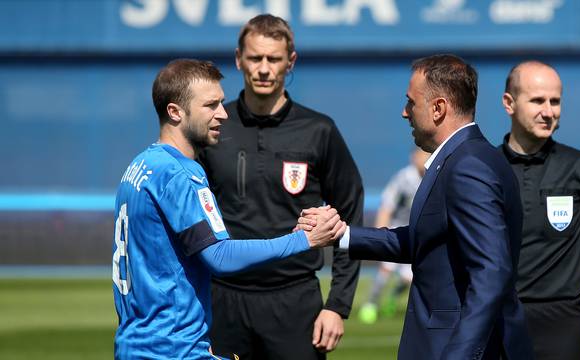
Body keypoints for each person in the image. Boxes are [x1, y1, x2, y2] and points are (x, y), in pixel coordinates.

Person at [300, 54, 534, 360]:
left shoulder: (468, 166)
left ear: (438, 108)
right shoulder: (462, 159)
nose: (404, 112)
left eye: (411, 102)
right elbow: (425, 240)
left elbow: (491, 272)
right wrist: (341, 234)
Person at [112, 59, 344, 359]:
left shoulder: (140, 166)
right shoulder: (181, 174)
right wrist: (305, 240)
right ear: (175, 112)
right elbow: (219, 257)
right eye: (210, 105)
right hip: (172, 349)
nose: (222, 114)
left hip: (136, 344)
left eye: (222, 103)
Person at [197, 14, 363, 359]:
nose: (263, 68)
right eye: (255, 57)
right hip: (223, 302)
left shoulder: (319, 130)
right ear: (239, 58)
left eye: (273, 59)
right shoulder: (212, 129)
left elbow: (350, 219)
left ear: (291, 62)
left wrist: (337, 305)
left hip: (296, 303)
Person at [500, 60, 580, 360]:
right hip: (495, 323)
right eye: (537, 100)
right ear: (509, 103)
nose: (548, 111)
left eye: (555, 101)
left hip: (561, 328)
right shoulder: (482, 170)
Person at [358, 148, 430, 324]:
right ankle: (371, 304)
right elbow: (387, 206)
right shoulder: (404, 178)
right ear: (413, 157)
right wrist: (380, 234)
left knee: (409, 278)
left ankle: (392, 298)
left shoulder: (434, 176)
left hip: (416, 233)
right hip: (396, 230)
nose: (424, 159)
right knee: (386, 270)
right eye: (421, 155)